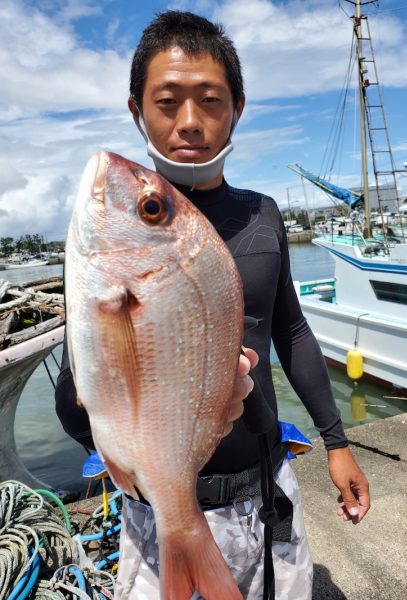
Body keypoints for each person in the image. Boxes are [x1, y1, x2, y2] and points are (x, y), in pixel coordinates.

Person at [55, 10, 370, 599]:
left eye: (211, 100)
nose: (191, 122)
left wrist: (338, 441)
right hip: (156, 511)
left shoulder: (263, 215)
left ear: (237, 108)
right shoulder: (106, 251)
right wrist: (91, 406)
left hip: (264, 494)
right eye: (168, 101)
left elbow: (293, 332)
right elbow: (80, 406)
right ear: (137, 110)